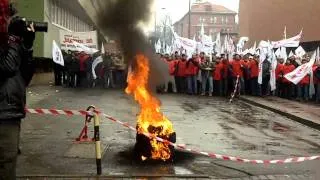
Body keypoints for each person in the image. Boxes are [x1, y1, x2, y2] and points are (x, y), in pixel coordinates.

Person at [0, 3, 36, 179]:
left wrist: (27, 47)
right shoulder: (7, 44)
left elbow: (25, 78)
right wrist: (14, 40)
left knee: (8, 163)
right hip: (2, 113)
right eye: (8, 17)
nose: (11, 21)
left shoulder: (11, 45)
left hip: (11, 113)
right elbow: (7, 68)